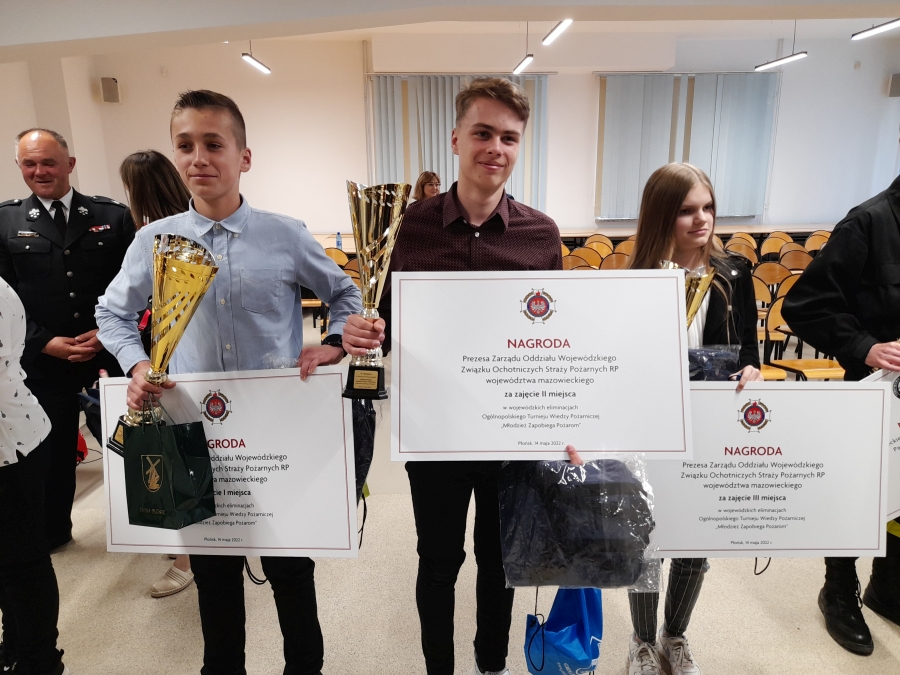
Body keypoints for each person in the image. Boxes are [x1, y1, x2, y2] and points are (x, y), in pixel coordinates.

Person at [96, 90, 361, 675]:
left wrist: (337, 340)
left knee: (291, 571)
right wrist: (137, 365)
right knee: (215, 580)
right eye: (185, 145)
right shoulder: (153, 242)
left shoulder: (285, 235)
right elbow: (111, 313)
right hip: (194, 432)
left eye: (214, 144)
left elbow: (345, 293)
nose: (199, 158)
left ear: (244, 156)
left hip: (276, 432)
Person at [343, 77, 562, 675]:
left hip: (510, 433)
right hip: (434, 428)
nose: (496, 147)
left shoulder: (541, 235)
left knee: (499, 563)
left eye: (509, 137)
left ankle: (491, 664)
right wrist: (361, 331)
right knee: (438, 562)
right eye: (483, 133)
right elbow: (380, 318)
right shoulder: (403, 227)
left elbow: (555, 334)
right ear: (456, 139)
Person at [625, 163, 762, 675]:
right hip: (651, 428)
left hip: (711, 424)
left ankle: (674, 636)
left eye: (708, 207)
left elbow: (749, 349)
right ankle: (642, 641)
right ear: (662, 215)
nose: (701, 219)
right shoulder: (636, 280)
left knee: (696, 539)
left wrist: (753, 370)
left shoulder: (735, 273)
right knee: (647, 541)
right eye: (686, 210)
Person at [0, 128, 134, 551]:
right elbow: (4, 298)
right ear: (19, 166)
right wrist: (42, 342)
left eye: (49, 162)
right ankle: (54, 533)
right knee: (53, 454)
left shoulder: (112, 215)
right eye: (29, 163)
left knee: (134, 443)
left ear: (69, 164)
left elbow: (135, 286)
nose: (39, 171)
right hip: (44, 362)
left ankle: (150, 528)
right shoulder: (5, 221)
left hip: (107, 355)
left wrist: (109, 333)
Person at [783, 175, 900, 656]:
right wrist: (864, 345)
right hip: (877, 389)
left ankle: (888, 589)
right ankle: (838, 590)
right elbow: (804, 306)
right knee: (858, 495)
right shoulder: (868, 222)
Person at [118, 149, 196, 598]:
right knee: (180, 452)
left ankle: (188, 558)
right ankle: (188, 545)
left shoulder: (165, 233)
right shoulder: (148, 235)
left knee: (180, 453)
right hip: (161, 353)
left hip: (180, 354)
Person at [0, 277, 68, 675]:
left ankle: (40, 661)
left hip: (11, 445)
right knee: (10, 564)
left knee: (22, 565)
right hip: (16, 437)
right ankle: (15, 645)